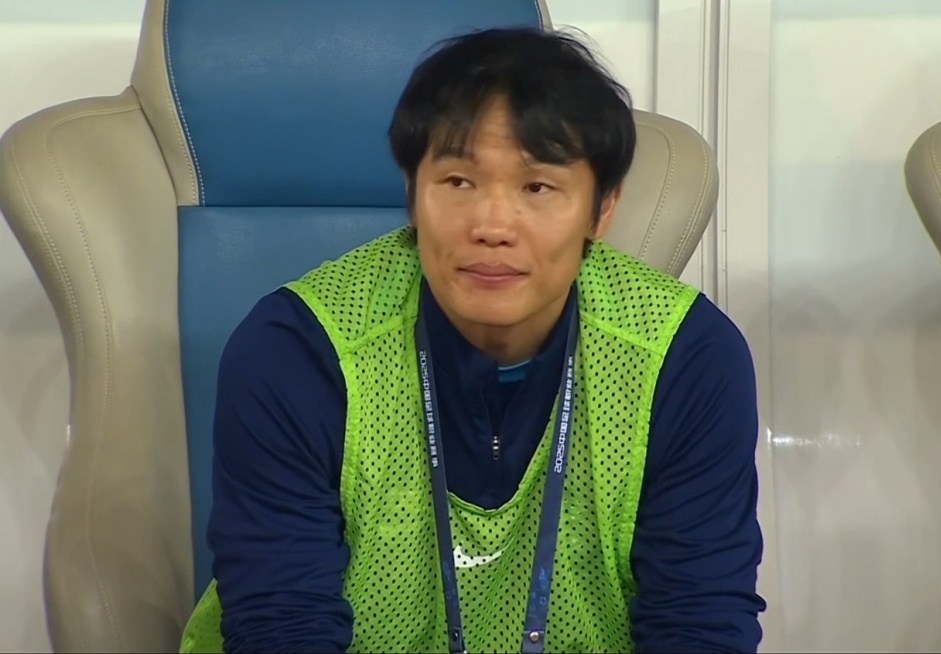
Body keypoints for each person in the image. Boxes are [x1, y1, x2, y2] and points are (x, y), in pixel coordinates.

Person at [180, 26, 766, 654]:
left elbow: (699, 624)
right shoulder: (297, 351)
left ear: (602, 209)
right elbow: (282, 626)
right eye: (458, 181)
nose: (491, 225)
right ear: (412, 195)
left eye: (537, 187)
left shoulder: (684, 358)